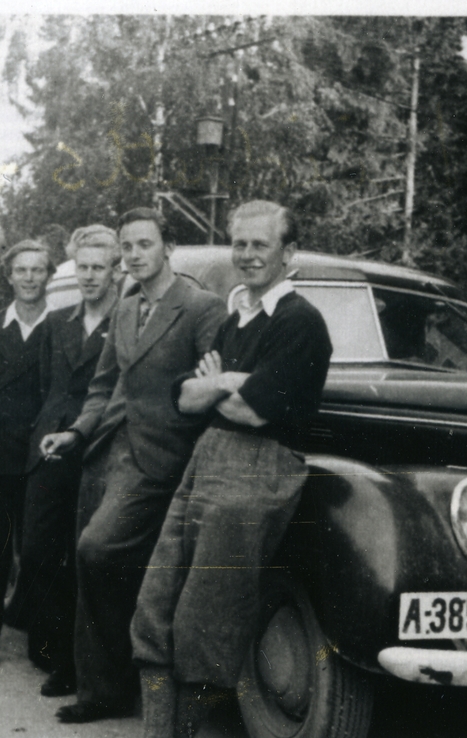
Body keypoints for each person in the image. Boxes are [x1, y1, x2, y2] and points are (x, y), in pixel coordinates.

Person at [130, 200, 333, 738]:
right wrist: (230, 382)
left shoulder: (301, 323)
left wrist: (219, 384)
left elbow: (255, 410)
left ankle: (197, 732)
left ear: (288, 254)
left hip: (260, 471)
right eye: (239, 244)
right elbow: (184, 395)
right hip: (208, 459)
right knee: (155, 607)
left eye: (259, 245)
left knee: (206, 621)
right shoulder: (237, 312)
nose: (246, 256)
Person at [41, 208, 227, 724]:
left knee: (98, 551)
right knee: (93, 557)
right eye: (128, 247)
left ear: (169, 248)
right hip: (116, 458)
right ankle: (103, 689)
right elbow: (106, 386)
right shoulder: (125, 309)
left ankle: (138, 688)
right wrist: (78, 432)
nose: (135, 255)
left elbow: (214, 393)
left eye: (145, 244)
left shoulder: (201, 307)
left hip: (175, 463)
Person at [17, 225, 122, 697]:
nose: (89, 275)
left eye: (99, 267)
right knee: (39, 550)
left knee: (79, 556)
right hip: (48, 452)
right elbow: (44, 387)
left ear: (115, 271)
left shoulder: (125, 321)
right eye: (82, 267)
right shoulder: (57, 322)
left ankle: (71, 662)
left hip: (95, 449)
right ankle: (46, 641)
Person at [0, 240, 54, 670]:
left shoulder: (61, 326)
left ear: (49, 275)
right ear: (9, 276)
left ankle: (42, 644)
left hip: (40, 453)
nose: (30, 278)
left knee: (38, 551)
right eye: (22, 270)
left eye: (38, 270)